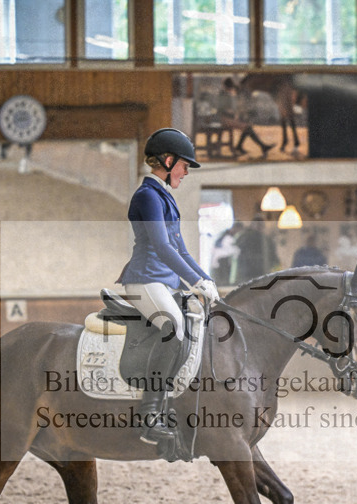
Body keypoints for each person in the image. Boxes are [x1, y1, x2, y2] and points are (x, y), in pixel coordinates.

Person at [116, 127, 219, 446]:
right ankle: (149, 417)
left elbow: (182, 250)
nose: (187, 171)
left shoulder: (164, 198)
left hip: (163, 281)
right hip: (144, 279)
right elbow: (161, 247)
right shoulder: (147, 196)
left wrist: (206, 280)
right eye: (185, 165)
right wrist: (196, 281)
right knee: (173, 329)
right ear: (168, 160)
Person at [217, 78, 272, 158]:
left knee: (247, 126)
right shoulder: (224, 95)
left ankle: (241, 146)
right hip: (225, 119)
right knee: (247, 127)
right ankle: (262, 146)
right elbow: (223, 110)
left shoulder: (227, 94)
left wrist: (237, 114)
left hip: (228, 118)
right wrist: (235, 113)